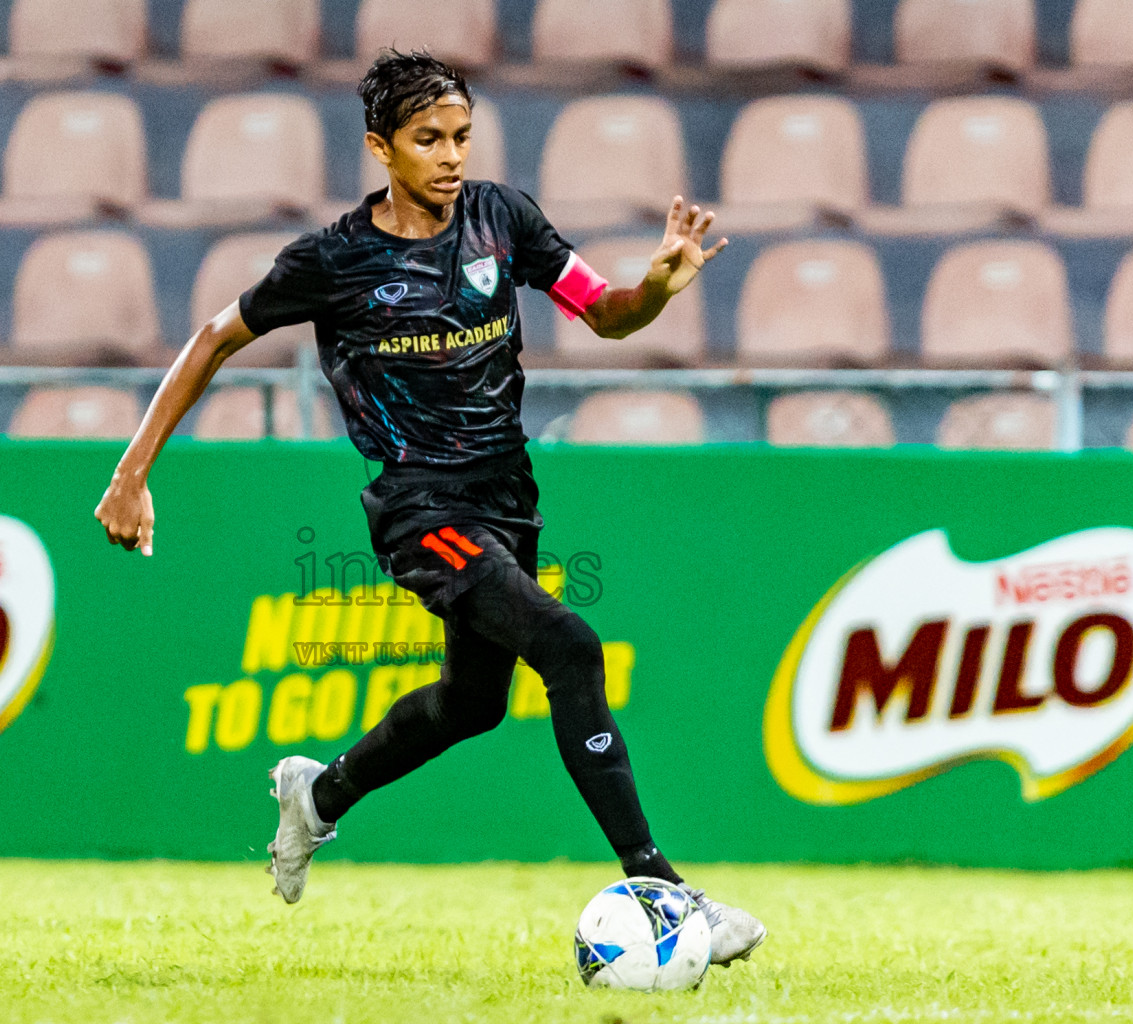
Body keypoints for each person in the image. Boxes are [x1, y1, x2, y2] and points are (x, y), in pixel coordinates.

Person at [95, 50, 765, 964]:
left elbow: (603, 313)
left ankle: (318, 797)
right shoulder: (337, 260)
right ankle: (664, 889)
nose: (450, 156)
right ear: (381, 147)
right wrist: (132, 473)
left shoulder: (503, 219)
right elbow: (215, 338)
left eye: (460, 136)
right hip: (419, 506)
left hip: (508, 498)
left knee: (473, 704)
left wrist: (653, 288)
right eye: (427, 140)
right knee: (571, 646)